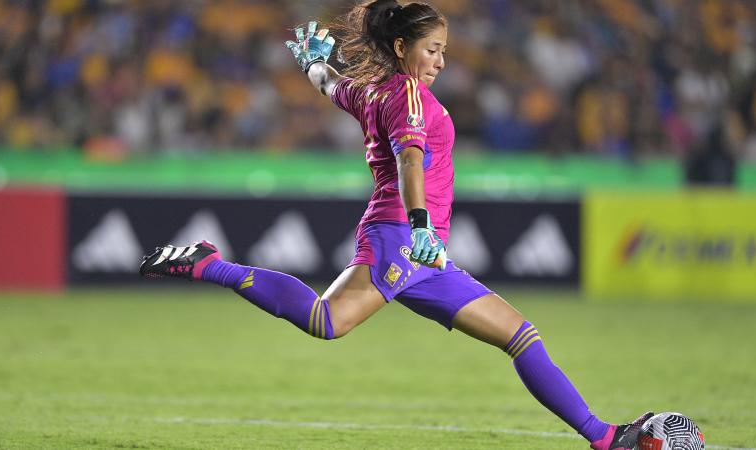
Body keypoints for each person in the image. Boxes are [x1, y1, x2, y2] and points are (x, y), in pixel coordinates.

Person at [139, 1, 651, 448]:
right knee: (327, 321)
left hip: (424, 253)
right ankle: (212, 266)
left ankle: (604, 438)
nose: (440, 61)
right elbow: (411, 162)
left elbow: (332, 87)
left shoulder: (372, 90)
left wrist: (316, 64)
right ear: (403, 46)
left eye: (444, 51)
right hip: (405, 238)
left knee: (520, 336)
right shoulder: (405, 95)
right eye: (432, 49)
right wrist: (422, 226)